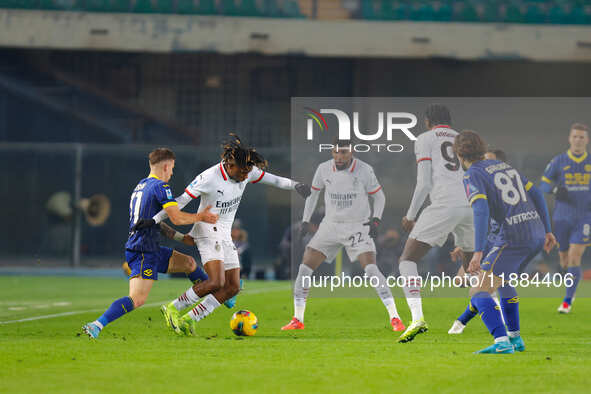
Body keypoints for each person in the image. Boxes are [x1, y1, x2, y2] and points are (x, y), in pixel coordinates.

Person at [141, 134, 311, 336]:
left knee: (232, 287)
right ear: (230, 165)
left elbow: (274, 180)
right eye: (242, 172)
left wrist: (297, 185)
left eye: (248, 172)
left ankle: (189, 319)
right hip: (206, 228)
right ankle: (172, 308)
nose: (246, 176)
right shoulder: (209, 178)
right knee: (215, 282)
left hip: (224, 232)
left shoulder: (247, 170)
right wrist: (154, 220)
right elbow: (179, 202)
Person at [82, 148, 218, 339]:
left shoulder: (141, 186)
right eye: (172, 168)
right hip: (144, 250)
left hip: (148, 247)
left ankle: (218, 291)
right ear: (165, 166)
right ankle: (96, 325)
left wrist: (180, 238)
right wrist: (201, 216)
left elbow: (158, 223)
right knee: (137, 299)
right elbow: (176, 217)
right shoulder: (161, 187)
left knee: (189, 263)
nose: (172, 173)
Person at [281, 139, 405, 332]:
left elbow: (379, 196)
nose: (339, 157)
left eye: (344, 153)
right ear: (332, 152)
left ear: (351, 152)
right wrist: (306, 220)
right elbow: (313, 195)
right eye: (336, 152)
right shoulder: (323, 169)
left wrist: (376, 220)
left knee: (371, 269)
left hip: (358, 226)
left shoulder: (364, 170)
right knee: (304, 268)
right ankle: (297, 319)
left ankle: (395, 318)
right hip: (330, 226)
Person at [455, 130, 556, 353]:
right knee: (503, 282)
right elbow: (538, 194)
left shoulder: (472, 174)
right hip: (536, 233)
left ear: (460, 155)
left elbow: (480, 211)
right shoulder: (504, 166)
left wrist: (478, 252)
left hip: (513, 237)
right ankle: (515, 339)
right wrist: (548, 231)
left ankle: (501, 343)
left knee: (478, 292)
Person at [397, 104, 474, 343]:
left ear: (428, 122)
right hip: (471, 204)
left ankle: (417, 318)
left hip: (443, 204)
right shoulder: (463, 138)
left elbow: (424, 183)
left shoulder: (424, 138)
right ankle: (501, 317)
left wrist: (411, 215)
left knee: (407, 260)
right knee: (474, 268)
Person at [448, 148, 507, 334]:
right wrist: (464, 244)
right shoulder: (481, 187)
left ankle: (463, 322)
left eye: (489, 161)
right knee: (461, 280)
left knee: (479, 289)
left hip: (502, 243)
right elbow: (479, 221)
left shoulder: (503, 188)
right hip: (486, 243)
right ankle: (491, 306)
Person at [539, 123, 590, 313]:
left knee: (575, 257)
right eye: (575, 136)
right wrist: (555, 190)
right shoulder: (558, 161)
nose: (578, 140)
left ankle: (567, 301)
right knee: (565, 260)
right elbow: (543, 185)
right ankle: (571, 286)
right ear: (570, 139)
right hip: (562, 217)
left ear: (587, 140)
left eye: (581, 137)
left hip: (584, 217)